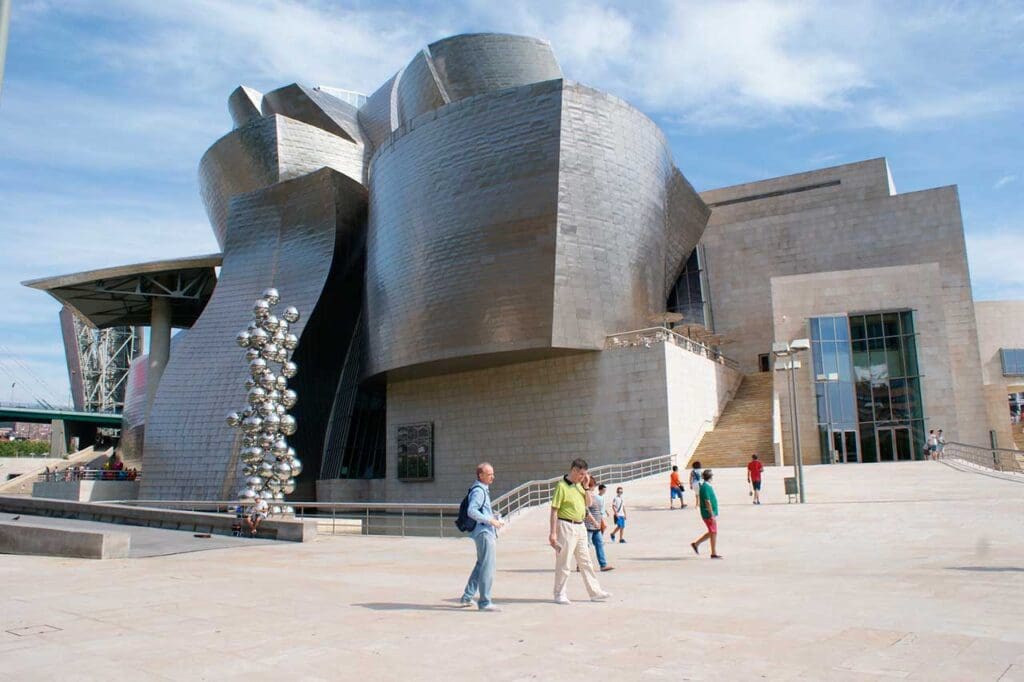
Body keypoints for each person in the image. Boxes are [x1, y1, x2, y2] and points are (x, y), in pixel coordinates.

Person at [549, 458, 611, 605]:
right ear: (574, 470)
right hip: (566, 525)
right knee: (564, 562)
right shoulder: (562, 486)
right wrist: (553, 533)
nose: (583, 477)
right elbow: (554, 510)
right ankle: (559, 593)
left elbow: (588, 503)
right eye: (581, 474)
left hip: (580, 526)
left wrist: (586, 487)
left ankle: (595, 592)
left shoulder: (580, 486)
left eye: (585, 474)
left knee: (586, 561)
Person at [460, 462, 504, 612]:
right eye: (490, 474)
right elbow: (471, 511)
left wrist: (493, 517)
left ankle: (467, 597)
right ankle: (485, 602)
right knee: (487, 567)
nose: (493, 476)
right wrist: (490, 520)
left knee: (481, 565)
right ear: (481, 475)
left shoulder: (481, 490)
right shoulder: (479, 491)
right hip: (484, 533)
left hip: (482, 531)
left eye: (492, 473)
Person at [690, 469, 722, 559]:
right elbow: (707, 501)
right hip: (708, 514)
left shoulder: (706, 486)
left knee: (712, 532)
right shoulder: (705, 487)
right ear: (710, 477)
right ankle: (713, 553)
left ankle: (696, 544)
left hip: (709, 513)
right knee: (713, 532)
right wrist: (712, 514)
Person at [583, 479, 613, 572]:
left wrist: (600, 522)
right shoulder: (586, 497)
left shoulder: (597, 498)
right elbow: (586, 511)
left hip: (596, 527)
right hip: (588, 526)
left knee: (599, 544)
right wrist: (595, 522)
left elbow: (599, 511)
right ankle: (581, 565)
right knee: (585, 546)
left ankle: (603, 565)